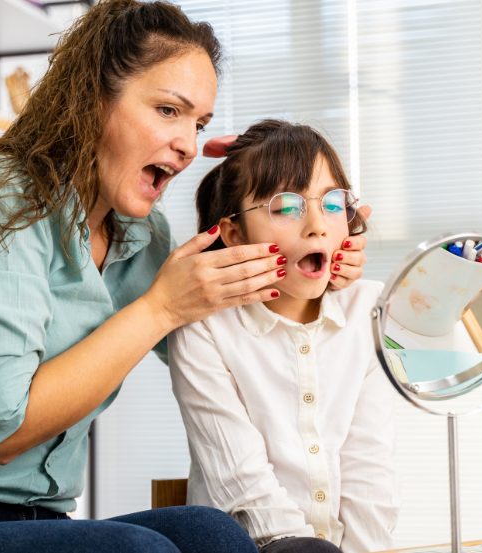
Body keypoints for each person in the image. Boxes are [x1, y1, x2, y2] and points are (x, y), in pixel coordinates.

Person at [0, 2, 369, 551]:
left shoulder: (142, 238)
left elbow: (234, 352)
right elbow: (2, 428)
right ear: (90, 101)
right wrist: (160, 308)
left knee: (212, 534)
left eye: (198, 124)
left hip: (36, 519)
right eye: (169, 111)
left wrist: (306, 247)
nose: (189, 145)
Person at [168, 120, 399, 553]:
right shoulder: (204, 324)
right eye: (286, 207)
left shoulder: (369, 310)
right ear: (235, 233)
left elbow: (371, 471)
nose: (316, 225)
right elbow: (242, 484)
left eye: (332, 203)